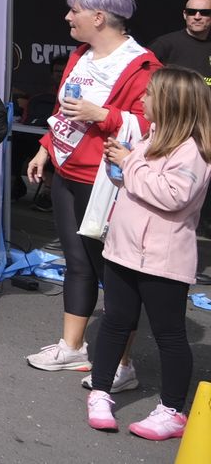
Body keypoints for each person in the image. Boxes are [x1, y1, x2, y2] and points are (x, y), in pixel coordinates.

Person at [25, 0, 160, 376]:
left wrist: (103, 115)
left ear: (99, 17)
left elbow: (154, 125)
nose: (68, 17)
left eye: (74, 11)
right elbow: (66, 111)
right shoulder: (80, 54)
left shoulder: (144, 66)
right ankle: (72, 346)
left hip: (108, 182)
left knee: (115, 275)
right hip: (68, 174)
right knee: (77, 263)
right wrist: (45, 147)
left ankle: (122, 363)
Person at [84, 66, 210, 441]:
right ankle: (102, 393)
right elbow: (133, 184)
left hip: (163, 258)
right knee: (115, 322)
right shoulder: (149, 138)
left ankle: (171, 411)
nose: (143, 99)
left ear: (171, 103)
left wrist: (128, 162)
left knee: (169, 334)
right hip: (122, 250)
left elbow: (172, 196)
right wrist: (117, 165)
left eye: (150, 94)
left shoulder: (194, 152)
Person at [148, 0, 211, 82]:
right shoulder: (164, 44)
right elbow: (145, 80)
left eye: (205, 13)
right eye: (191, 12)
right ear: (185, 15)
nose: (197, 17)